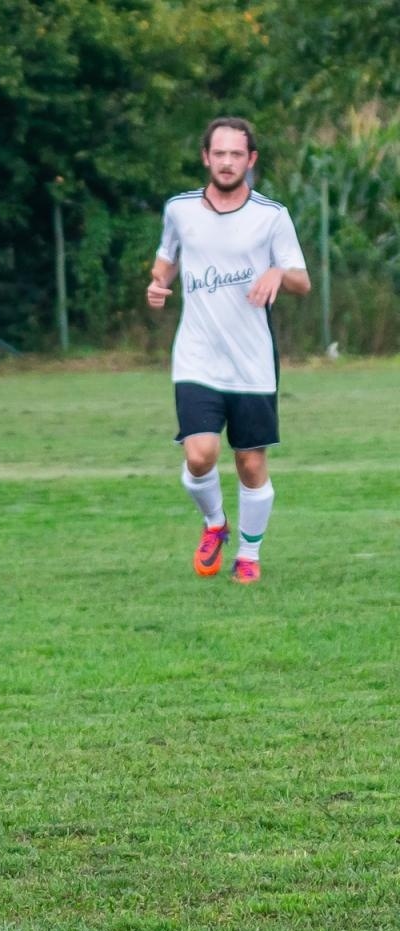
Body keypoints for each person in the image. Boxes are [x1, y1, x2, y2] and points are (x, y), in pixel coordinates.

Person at [147, 116, 309, 584]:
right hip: (196, 354)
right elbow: (166, 257)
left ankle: (249, 554)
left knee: (250, 462)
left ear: (250, 160)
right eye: (218, 153)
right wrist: (158, 284)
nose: (226, 161)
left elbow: (302, 279)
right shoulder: (179, 209)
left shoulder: (271, 216)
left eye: (236, 154)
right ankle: (215, 524)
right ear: (205, 157)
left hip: (252, 358)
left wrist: (278, 273)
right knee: (198, 455)